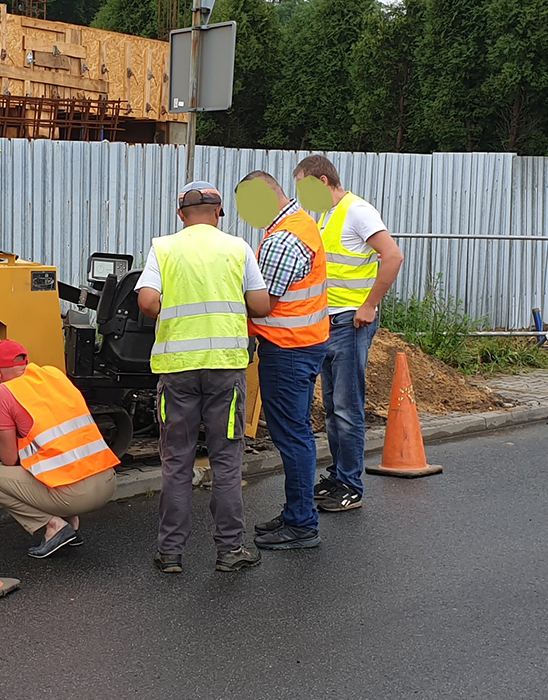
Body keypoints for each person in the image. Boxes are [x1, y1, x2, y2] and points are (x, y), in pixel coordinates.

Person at [137, 181, 273, 574]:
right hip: (225, 371)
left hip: (176, 373)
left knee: (176, 462)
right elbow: (260, 306)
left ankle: (171, 553)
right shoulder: (238, 248)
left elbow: (147, 301)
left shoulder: (163, 247)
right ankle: (230, 551)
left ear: (180, 215)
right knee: (226, 462)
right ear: (219, 214)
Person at [292, 155, 405, 513]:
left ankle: (351, 485)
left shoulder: (358, 212)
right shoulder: (324, 215)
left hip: (350, 324)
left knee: (347, 408)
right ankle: (339, 475)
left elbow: (393, 256)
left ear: (323, 182)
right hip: (329, 323)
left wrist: (369, 305)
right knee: (332, 408)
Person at [235, 171, 329, 551]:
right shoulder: (300, 223)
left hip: (287, 350)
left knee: (293, 437)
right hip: (303, 346)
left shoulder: (283, 239)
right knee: (298, 434)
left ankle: (302, 524)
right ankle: (296, 513)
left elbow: (263, 302)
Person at [0, 339, 120, 558]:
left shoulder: (4, 391)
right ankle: (71, 522)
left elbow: (8, 459)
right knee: (47, 463)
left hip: (76, 495)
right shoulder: (53, 374)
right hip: (108, 483)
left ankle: (54, 526)